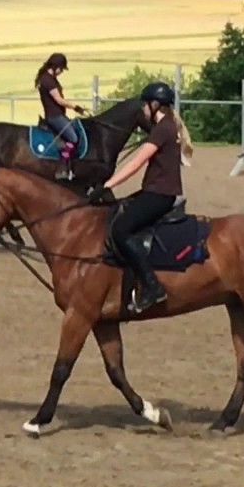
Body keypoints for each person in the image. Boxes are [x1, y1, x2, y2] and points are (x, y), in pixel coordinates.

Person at [89, 81, 183, 315]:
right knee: (117, 212)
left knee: (120, 230)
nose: (142, 110)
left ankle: (152, 287)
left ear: (154, 105)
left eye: (144, 105)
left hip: (159, 194)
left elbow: (136, 162)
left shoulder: (162, 129)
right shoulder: (169, 126)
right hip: (157, 191)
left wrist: (107, 185)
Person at [34, 53, 86, 180]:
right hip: (55, 117)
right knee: (73, 138)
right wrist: (75, 107)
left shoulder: (47, 78)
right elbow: (59, 100)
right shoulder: (48, 81)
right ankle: (62, 168)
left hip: (56, 115)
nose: (61, 71)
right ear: (56, 66)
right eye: (61, 69)